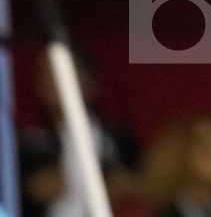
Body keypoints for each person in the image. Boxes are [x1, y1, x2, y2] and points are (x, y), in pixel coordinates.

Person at [17, 47, 142, 217]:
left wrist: (126, 185)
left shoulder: (118, 138)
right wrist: (30, 191)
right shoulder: (30, 144)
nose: (52, 82)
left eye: (62, 73)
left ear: (91, 82)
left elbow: (145, 183)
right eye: (45, 76)